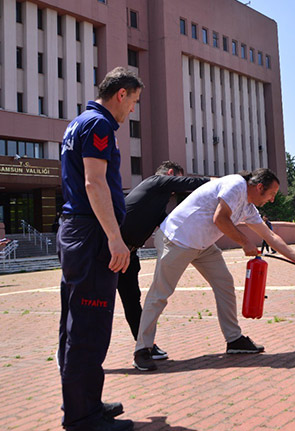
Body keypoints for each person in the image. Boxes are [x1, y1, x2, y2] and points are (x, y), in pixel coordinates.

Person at [132, 168, 295, 371]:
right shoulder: (235, 185)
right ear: (259, 187)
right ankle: (142, 350)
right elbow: (220, 218)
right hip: (177, 239)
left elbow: (270, 237)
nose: (272, 200)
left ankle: (234, 340)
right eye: (271, 194)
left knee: (225, 284)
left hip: (202, 245)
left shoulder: (248, 207)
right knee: (160, 293)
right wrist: (245, 242)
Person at [57, 67, 142, 431]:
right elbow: (95, 184)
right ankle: (83, 417)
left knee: (75, 325)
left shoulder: (79, 122)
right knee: (89, 328)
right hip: (91, 234)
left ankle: (84, 404)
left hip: (77, 231)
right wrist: (114, 237)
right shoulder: (100, 125)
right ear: (120, 94)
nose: (133, 110)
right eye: (134, 101)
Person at [118, 161, 209, 360]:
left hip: (129, 255)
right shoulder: (156, 182)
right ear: (170, 174)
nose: (175, 190)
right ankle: (75, 347)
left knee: (132, 303)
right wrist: (219, 182)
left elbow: (172, 226)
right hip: (110, 252)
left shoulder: (157, 204)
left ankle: (146, 346)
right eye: (176, 179)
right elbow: (191, 183)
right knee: (96, 302)